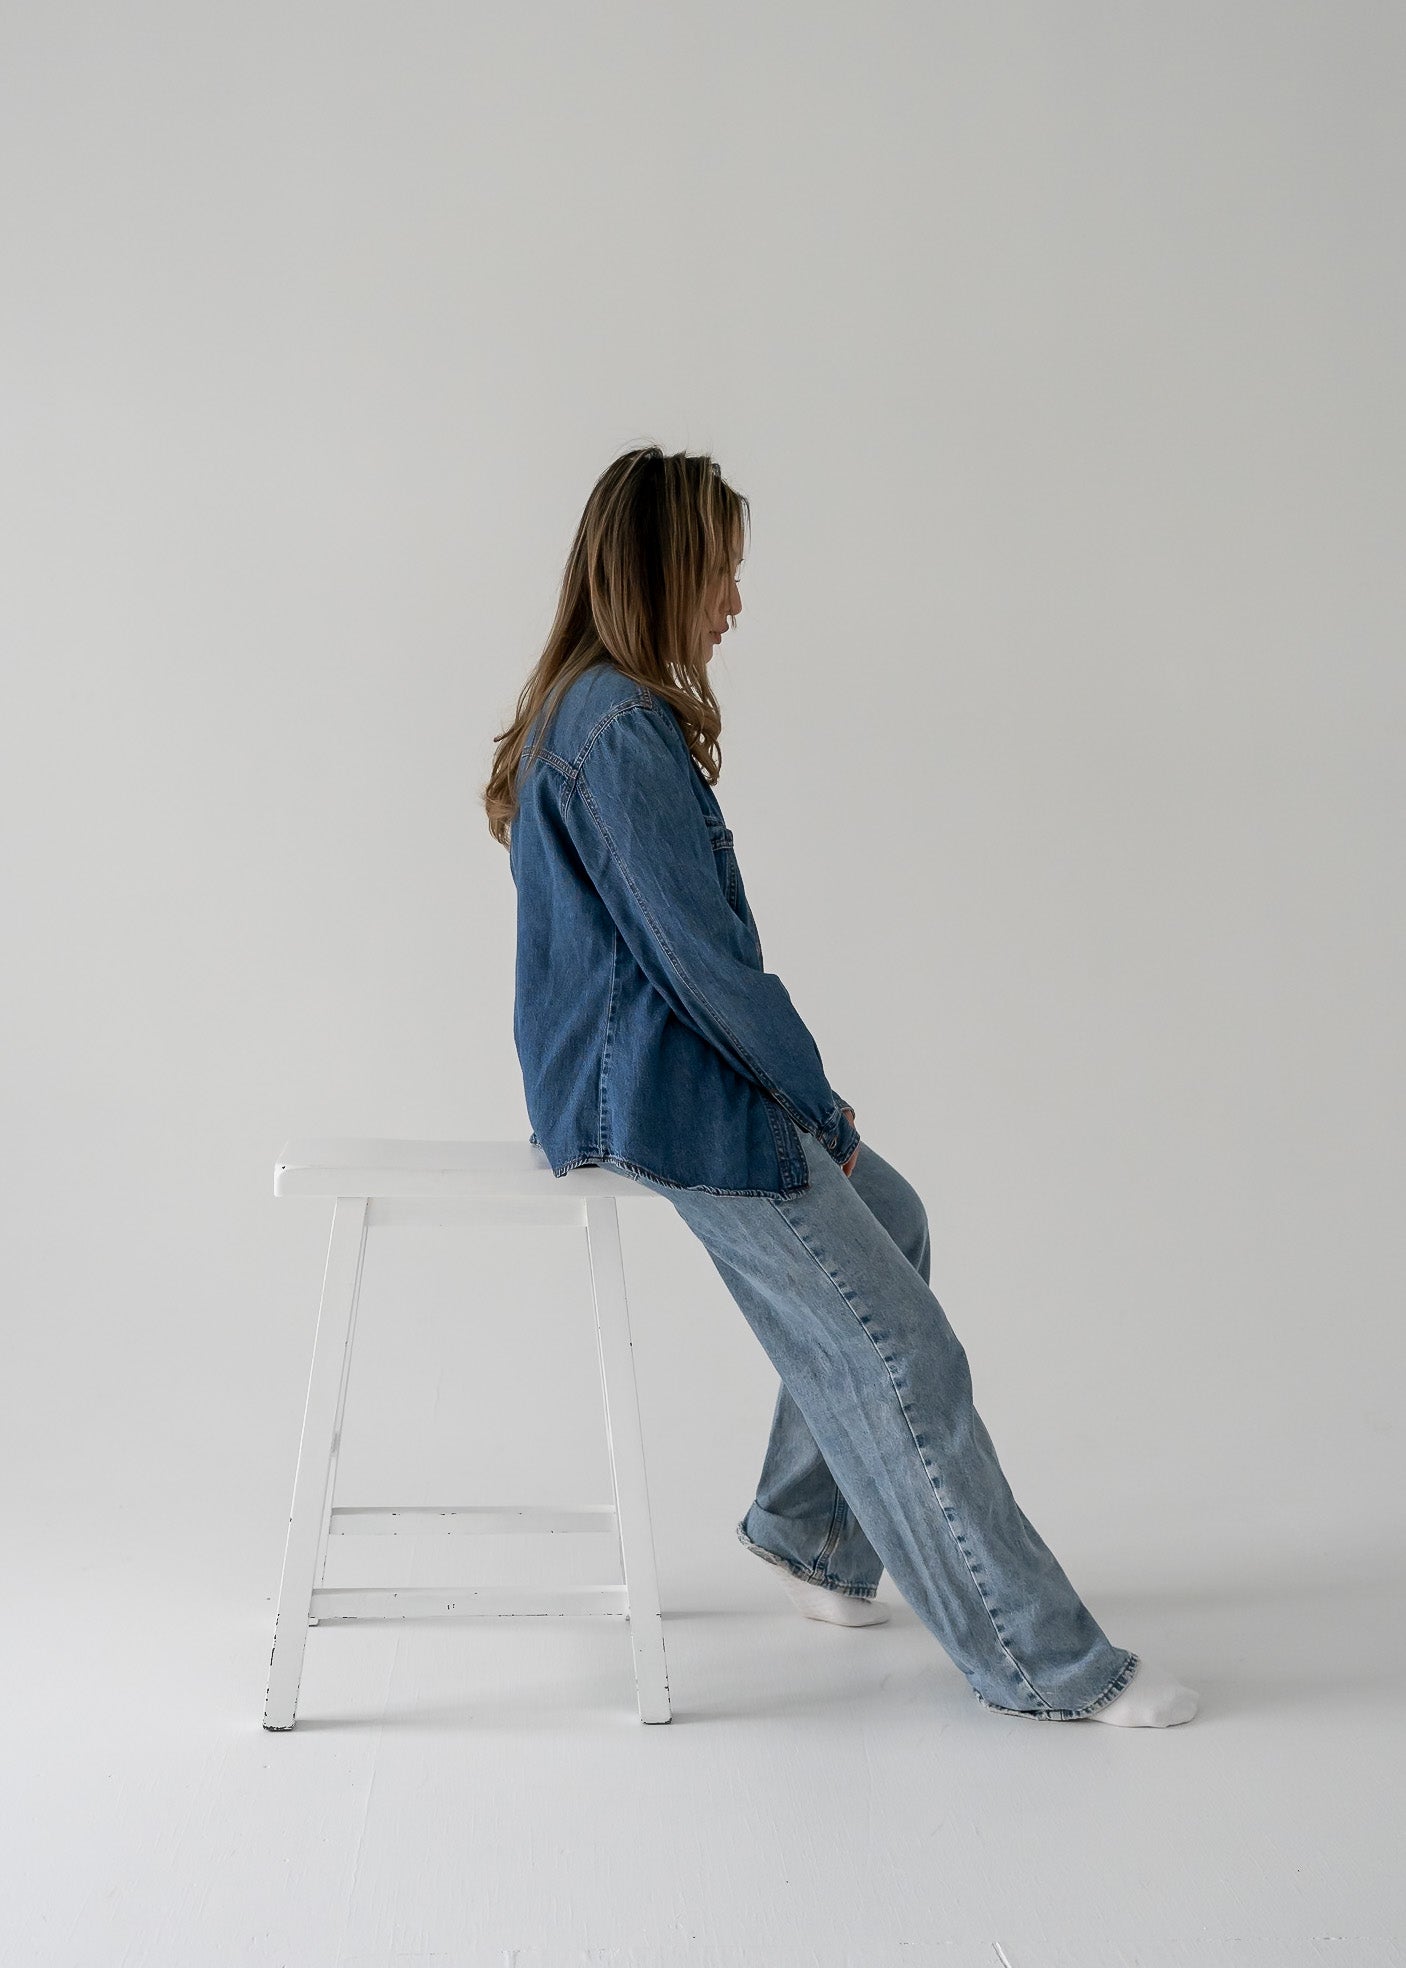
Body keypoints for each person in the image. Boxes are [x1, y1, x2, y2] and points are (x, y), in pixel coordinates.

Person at [482, 444, 1197, 1726]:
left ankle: (807, 1534)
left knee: (898, 1220)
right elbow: (706, 973)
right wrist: (818, 1111)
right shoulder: (621, 727)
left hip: (639, 1076)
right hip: (660, 1091)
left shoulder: (587, 709)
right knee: (901, 1353)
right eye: (721, 574)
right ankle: (1042, 1660)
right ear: (661, 570)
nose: (733, 605)